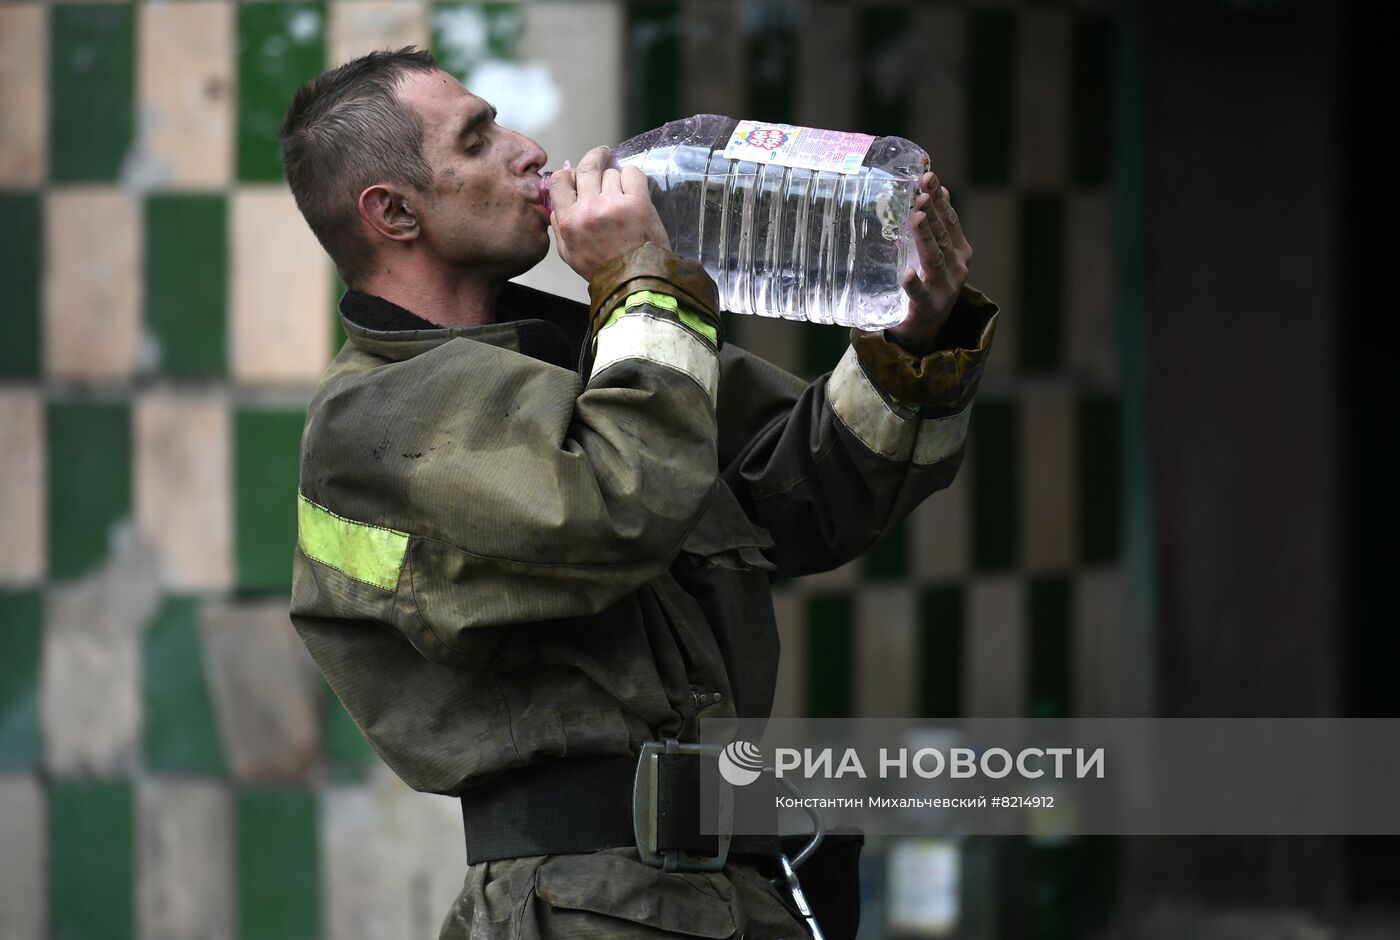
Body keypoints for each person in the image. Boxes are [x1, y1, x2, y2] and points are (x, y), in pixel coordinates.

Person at [283, 46, 997, 940]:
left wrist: (912, 339)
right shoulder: (372, 419)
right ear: (393, 212)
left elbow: (803, 498)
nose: (529, 149)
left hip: (734, 890)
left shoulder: (579, 353)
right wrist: (640, 283)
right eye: (478, 140)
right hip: (587, 905)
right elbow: (619, 508)